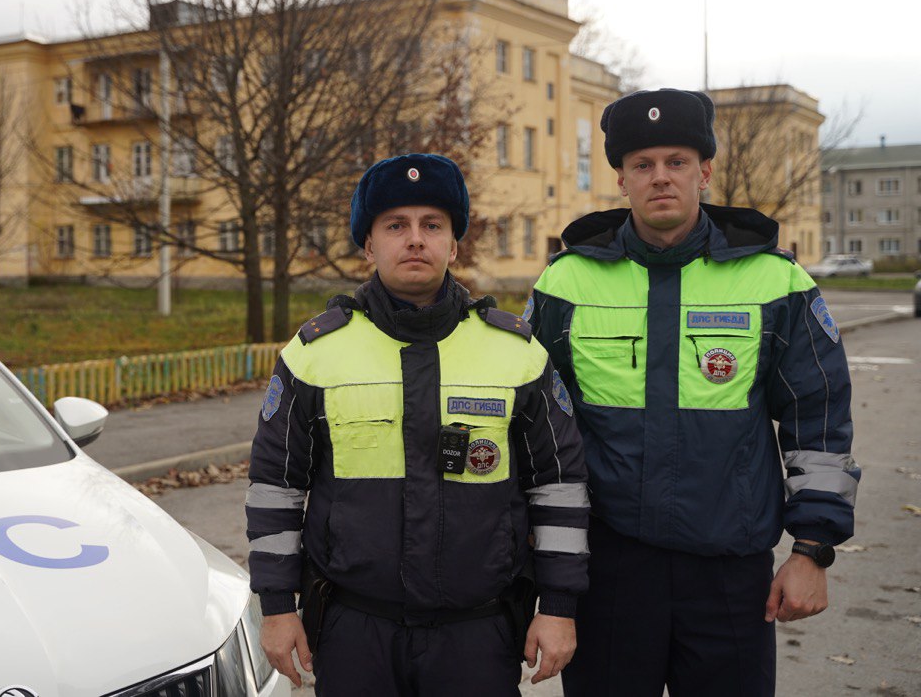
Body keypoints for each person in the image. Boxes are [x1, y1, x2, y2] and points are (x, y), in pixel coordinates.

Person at [526, 88, 859, 697]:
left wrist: (811, 549)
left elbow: (820, 420)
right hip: (608, 570)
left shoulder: (775, 280)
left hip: (730, 575)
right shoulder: (565, 281)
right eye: (642, 165)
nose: (661, 178)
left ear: (705, 171)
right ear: (620, 178)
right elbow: (534, 430)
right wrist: (541, 572)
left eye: (677, 162)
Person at [245, 153, 589, 696]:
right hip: (354, 632)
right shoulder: (314, 355)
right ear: (369, 245)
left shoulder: (517, 355)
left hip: (478, 634)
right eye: (395, 226)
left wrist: (560, 606)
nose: (414, 239)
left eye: (432, 226)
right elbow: (275, 490)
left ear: (454, 245)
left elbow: (560, 487)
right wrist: (276, 608)